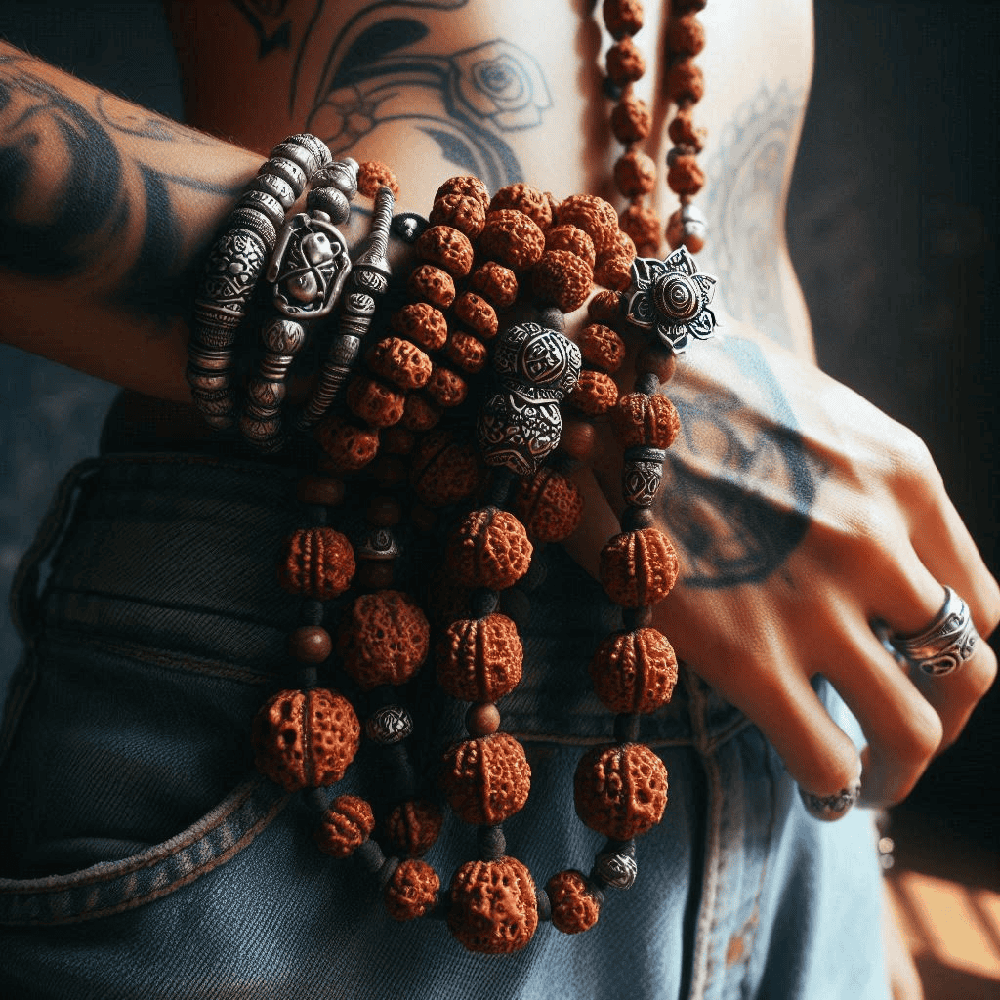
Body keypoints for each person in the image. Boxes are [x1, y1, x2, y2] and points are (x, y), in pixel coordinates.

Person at [0, 2, 995, 997]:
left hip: (778, 746)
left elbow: (742, 185)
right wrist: (557, 362)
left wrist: (836, 803)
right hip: (326, 672)